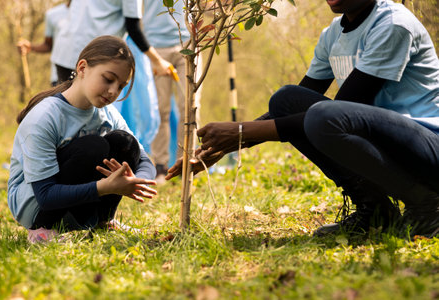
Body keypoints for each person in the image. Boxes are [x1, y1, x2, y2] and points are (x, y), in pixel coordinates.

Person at [166, 0, 439, 238]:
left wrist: (240, 131)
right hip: (388, 142)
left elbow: (340, 110)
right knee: (285, 99)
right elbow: (291, 110)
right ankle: (376, 211)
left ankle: (427, 205)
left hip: (427, 147)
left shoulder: (393, 24)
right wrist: (225, 145)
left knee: (325, 116)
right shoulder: (332, 35)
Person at [8, 35, 158, 243]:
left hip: (77, 204)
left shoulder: (108, 113)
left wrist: (133, 179)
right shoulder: (45, 116)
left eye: (121, 86)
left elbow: (144, 159)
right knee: (93, 145)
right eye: (108, 79)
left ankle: (103, 222)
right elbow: (44, 194)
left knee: (125, 141)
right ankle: (42, 232)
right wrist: (106, 187)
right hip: (35, 205)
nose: (113, 91)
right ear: (82, 68)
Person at [143, 0, 201, 182]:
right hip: (155, 47)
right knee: (160, 108)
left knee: (190, 107)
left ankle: (185, 163)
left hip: (188, 42)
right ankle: (160, 166)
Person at [50, 0, 171, 83]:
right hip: (93, 56)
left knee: (67, 108)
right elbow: (133, 28)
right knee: (86, 112)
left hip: (64, 49)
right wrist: (157, 61)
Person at [17, 1, 71, 86]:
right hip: (59, 77)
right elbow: (49, 45)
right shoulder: (52, 14)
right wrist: (30, 47)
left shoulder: (95, 13)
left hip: (89, 75)